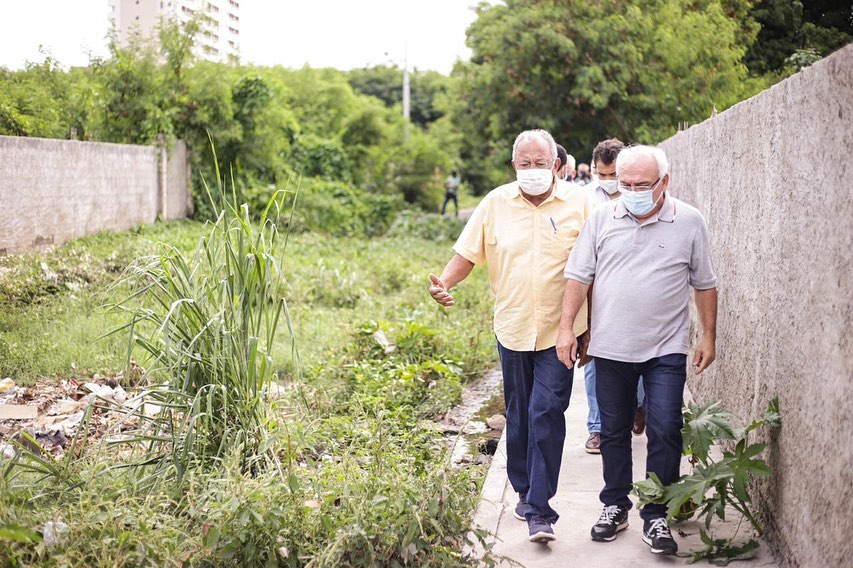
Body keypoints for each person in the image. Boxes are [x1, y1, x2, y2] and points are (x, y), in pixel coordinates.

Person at [428, 129, 591, 544]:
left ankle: (540, 509)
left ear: (556, 165)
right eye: (525, 163)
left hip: (563, 332)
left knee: (546, 414)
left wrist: (592, 327)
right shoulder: (495, 203)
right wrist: (444, 283)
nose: (532, 170)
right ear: (514, 165)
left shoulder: (581, 204)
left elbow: (598, 268)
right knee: (519, 415)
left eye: (540, 163)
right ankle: (523, 489)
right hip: (513, 326)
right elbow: (467, 254)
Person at [557, 145, 718, 555]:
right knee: (612, 432)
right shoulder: (601, 219)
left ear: (664, 182)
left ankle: (656, 513)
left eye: (641, 185)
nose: (630, 191)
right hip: (610, 348)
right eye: (624, 184)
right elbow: (578, 277)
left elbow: (704, 283)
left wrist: (708, 337)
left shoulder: (689, 221)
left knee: (665, 428)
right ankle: (614, 505)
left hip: (665, 349)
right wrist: (566, 330)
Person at [581, 139, 647, 454]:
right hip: (598, 291)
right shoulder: (584, 200)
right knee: (594, 358)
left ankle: (637, 405)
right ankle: (598, 428)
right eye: (601, 174)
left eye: (612, 175)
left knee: (640, 356)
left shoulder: (645, 197)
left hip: (638, 291)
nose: (607, 181)